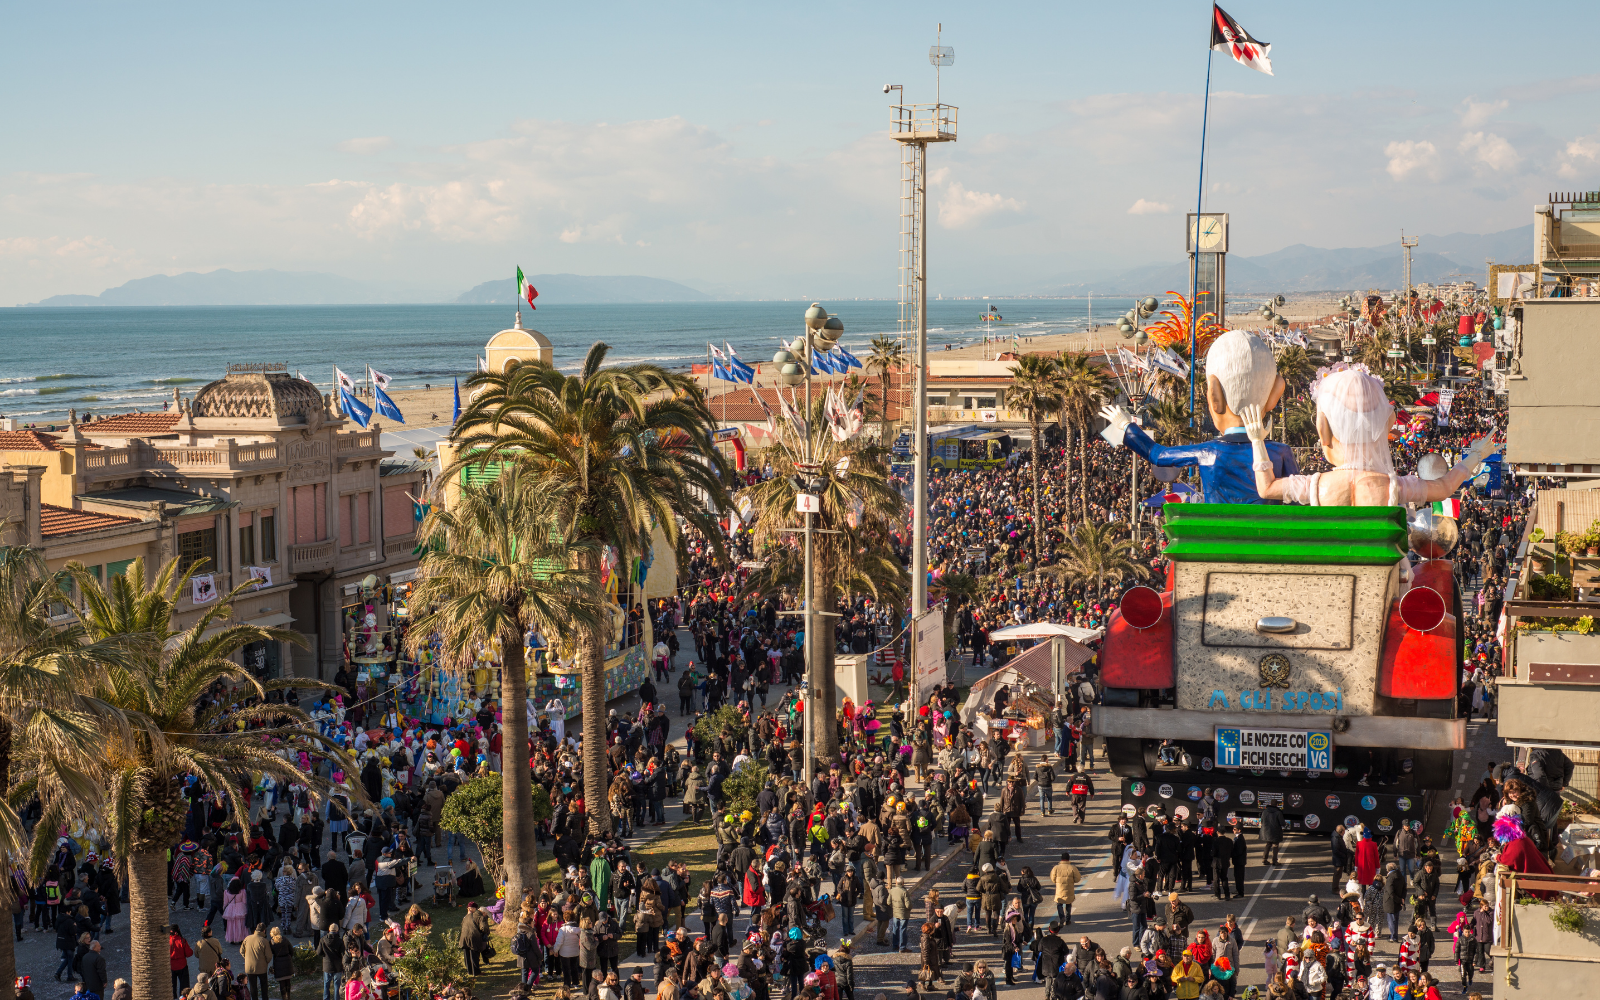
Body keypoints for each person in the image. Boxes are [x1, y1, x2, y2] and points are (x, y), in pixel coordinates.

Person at [458, 900, 492, 977]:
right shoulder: (480, 917)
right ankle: (476, 972)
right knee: (474, 956)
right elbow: (484, 928)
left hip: (463, 938)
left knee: (467, 955)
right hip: (474, 938)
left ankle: (469, 971)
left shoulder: (466, 916)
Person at [1050, 852, 1081, 927]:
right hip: (1069, 889)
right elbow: (1078, 878)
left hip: (1059, 890)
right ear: (1068, 859)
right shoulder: (1072, 868)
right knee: (1068, 904)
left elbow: (1053, 879)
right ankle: (1068, 920)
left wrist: (1057, 882)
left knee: (1059, 904)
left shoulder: (1056, 868)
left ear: (1061, 859)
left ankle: (1062, 917)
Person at [169, 924, 194, 999]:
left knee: (171, 986)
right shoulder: (182, 940)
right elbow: (189, 953)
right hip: (182, 966)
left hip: (171, 966)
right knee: (184, 986)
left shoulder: (166, 941)